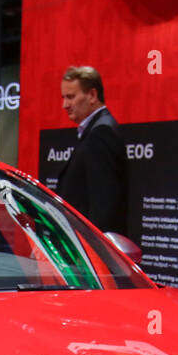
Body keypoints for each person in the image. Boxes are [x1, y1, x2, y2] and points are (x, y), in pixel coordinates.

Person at [55, 66, 127, 234]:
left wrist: (93, 253)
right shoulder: (96, 129)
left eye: (71, 97)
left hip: (89, 248)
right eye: (64, 97)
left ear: (92, 95)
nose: (65, 105)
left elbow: (104, 205)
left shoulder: (102, 133)